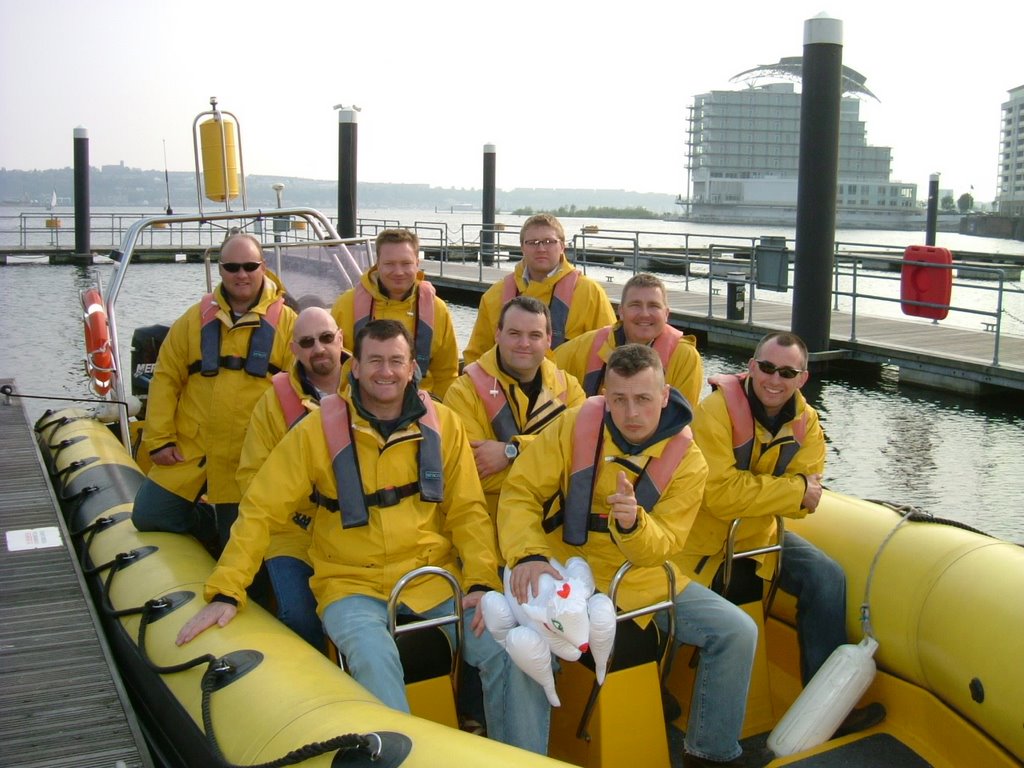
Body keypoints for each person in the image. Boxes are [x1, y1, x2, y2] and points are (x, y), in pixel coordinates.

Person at [176, 319, 550, 755]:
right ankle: (405, 759)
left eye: (396, 361)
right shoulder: (315, 432)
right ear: (355, 367)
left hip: (433, 580)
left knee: (516, 650)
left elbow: (467, 512)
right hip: (350, 586)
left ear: (412, 368)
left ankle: (523, 760)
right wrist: (226, 590)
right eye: (375, 361)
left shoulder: (443, 425)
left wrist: (483, 582)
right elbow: (260, 508)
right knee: (375, 661)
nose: (385, 371)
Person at [498, 344, 764, 768]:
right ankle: (524, 760)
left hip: (644, 576)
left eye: (643, 399)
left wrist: (631, 524)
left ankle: (710, 752)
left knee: (738, 631)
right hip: (570, 568)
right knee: (526, 651)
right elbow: (520, 492)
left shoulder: (689, 461)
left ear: (664, 395)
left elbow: (665, 544)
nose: (631, 412)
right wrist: (528, 553)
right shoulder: (573, 425)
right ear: (605, 394)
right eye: (618, 399)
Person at [678, 331, 883, 740]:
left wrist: (774, 495)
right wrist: (790, 490)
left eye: (787, 372)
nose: (775, 379)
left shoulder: (807, 423)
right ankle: (664, 686)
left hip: (759, 538)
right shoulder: (713, 413)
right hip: (698, 546)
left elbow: (810, 503)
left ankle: (827, 708)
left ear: (802, 378)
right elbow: (718, 495)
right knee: (657, 617)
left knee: (827, 577)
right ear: (752, 367)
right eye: (768, 367)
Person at [132, 232, 296, 551]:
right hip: (192, 447)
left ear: (263, 267)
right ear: (220, 270)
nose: (241, 274)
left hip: (249, 458)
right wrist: (159, 440)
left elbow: (301, 392)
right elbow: (165, 379)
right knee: (149, 515)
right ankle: (205, 522)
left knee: (238, 544)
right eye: (232, 267)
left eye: (249, 266)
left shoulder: (289, 324)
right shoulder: (193, 320)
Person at [235, 306, 348, 649]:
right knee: (299, 615)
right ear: (294, 349)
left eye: (327, 338)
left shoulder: (375, 388)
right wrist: (300, 511)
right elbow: (251, 476)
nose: (319, 348)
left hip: (357, 530)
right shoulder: (272, 406)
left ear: (340, 339)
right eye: (308, 342)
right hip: (293, 534)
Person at [444, 295, 585, 518]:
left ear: (549, 340)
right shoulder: (462, 393)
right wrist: (552, 465)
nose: (524, 344)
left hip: (554, 534)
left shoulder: (570, 388)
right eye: (514, 333)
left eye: (535, 335)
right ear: (498, 334)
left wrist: (511, 450)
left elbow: (580, 461)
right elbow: (474, 474)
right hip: (490, 529)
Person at [462, 213, 615, 365]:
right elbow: (476, 355)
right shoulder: (494, 296)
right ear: (522, 247)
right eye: (533, 242)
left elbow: (612, 351)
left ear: (562, 246)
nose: (541, 248)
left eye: (549, 241)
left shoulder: (590, 294)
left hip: (570, 388)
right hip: (505, 388)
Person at [331, 228, 459, 398]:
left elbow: (446, 373)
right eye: (390, 264)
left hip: (421, 404)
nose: (398, 272)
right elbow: (334, 367)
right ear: (377, 264)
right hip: (358, 404)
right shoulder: (346, 305)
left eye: (406, 263)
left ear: (417, 264)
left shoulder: (438, 310)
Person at [554, 272, 704, 407]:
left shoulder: (685, 357)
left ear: (666, 313)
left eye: (653, 306)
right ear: (621, 312)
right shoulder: (587, 345)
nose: (644, 314)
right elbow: (546, 368)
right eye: (635, 305)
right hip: (595, 434)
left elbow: (683, 420)